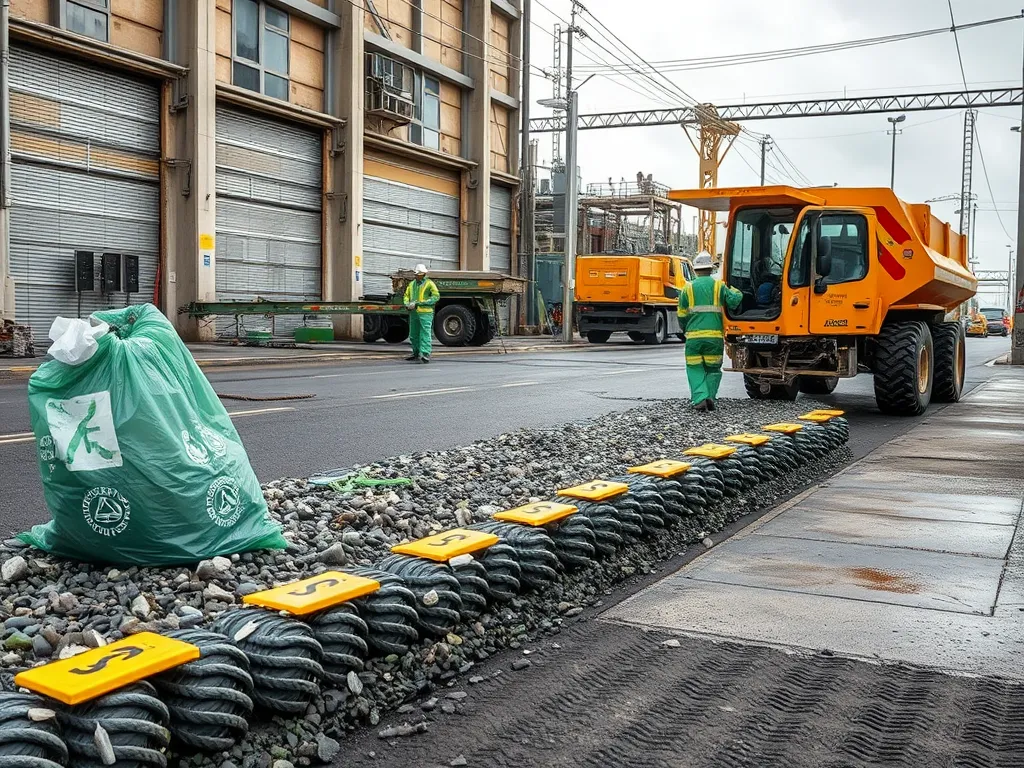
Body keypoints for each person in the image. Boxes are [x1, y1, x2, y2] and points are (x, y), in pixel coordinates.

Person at [677, 251, 743, 412]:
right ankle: (710, 397)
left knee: (694, 367)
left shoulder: (688, 288)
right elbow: (733, 302)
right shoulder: (719, 286)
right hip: (714, 338)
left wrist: (685, 329)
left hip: (694, 338)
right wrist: (737, 291)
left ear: (695, 269)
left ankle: (700, 398)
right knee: (713, 369)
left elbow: (681, 314)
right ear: (711, 269)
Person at [404, 264, 440, 363]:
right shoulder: (412, 284)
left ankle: (425, 353)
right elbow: (406, 295)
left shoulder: (429, 284)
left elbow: (435, 297)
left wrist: (422, 303)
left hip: (426, 312)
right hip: (414, 312)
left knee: (425, 333)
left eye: (420, 274)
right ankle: (415, 352)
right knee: (413, 334)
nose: (418, 276)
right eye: (417, 274)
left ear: (424, 274)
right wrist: (407, 304)